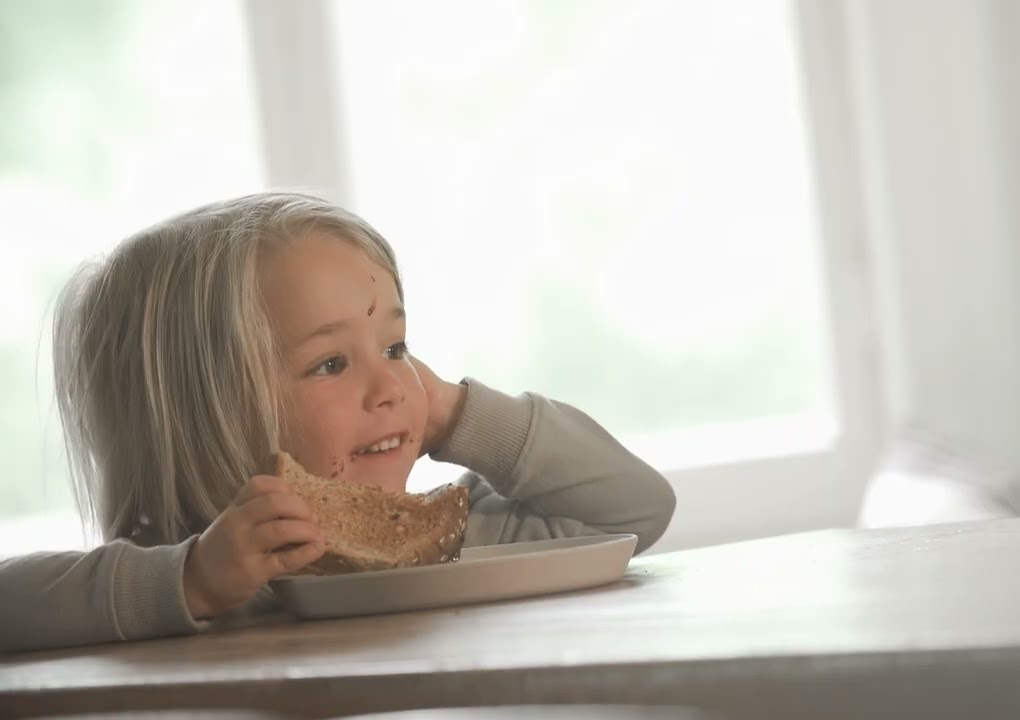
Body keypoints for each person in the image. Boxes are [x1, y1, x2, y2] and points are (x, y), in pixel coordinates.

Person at [0, 192, 676, 653]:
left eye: (395, 348)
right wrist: (192, 582)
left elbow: (638, 508)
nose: (390, 386)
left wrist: (454, 412)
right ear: (203, 417)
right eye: (329, 364)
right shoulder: (184, 587)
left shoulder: (465, 535)